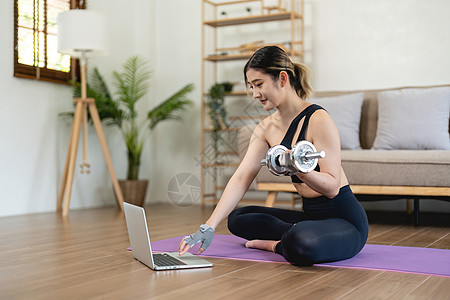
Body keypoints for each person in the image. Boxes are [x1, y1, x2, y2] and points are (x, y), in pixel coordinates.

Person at [179, 46, 369, 266]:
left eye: (259, 85)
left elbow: (332, 187)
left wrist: (299, 170)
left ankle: (276, 244)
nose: (255, 94)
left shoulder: (318, 119)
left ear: (282, 78)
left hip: (344, 221)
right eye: (251, 87)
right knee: (238, 218)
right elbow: (242, 177)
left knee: (301, 242)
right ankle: (294, 233)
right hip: (309, 217)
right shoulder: (265, 128)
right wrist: (208, 226)